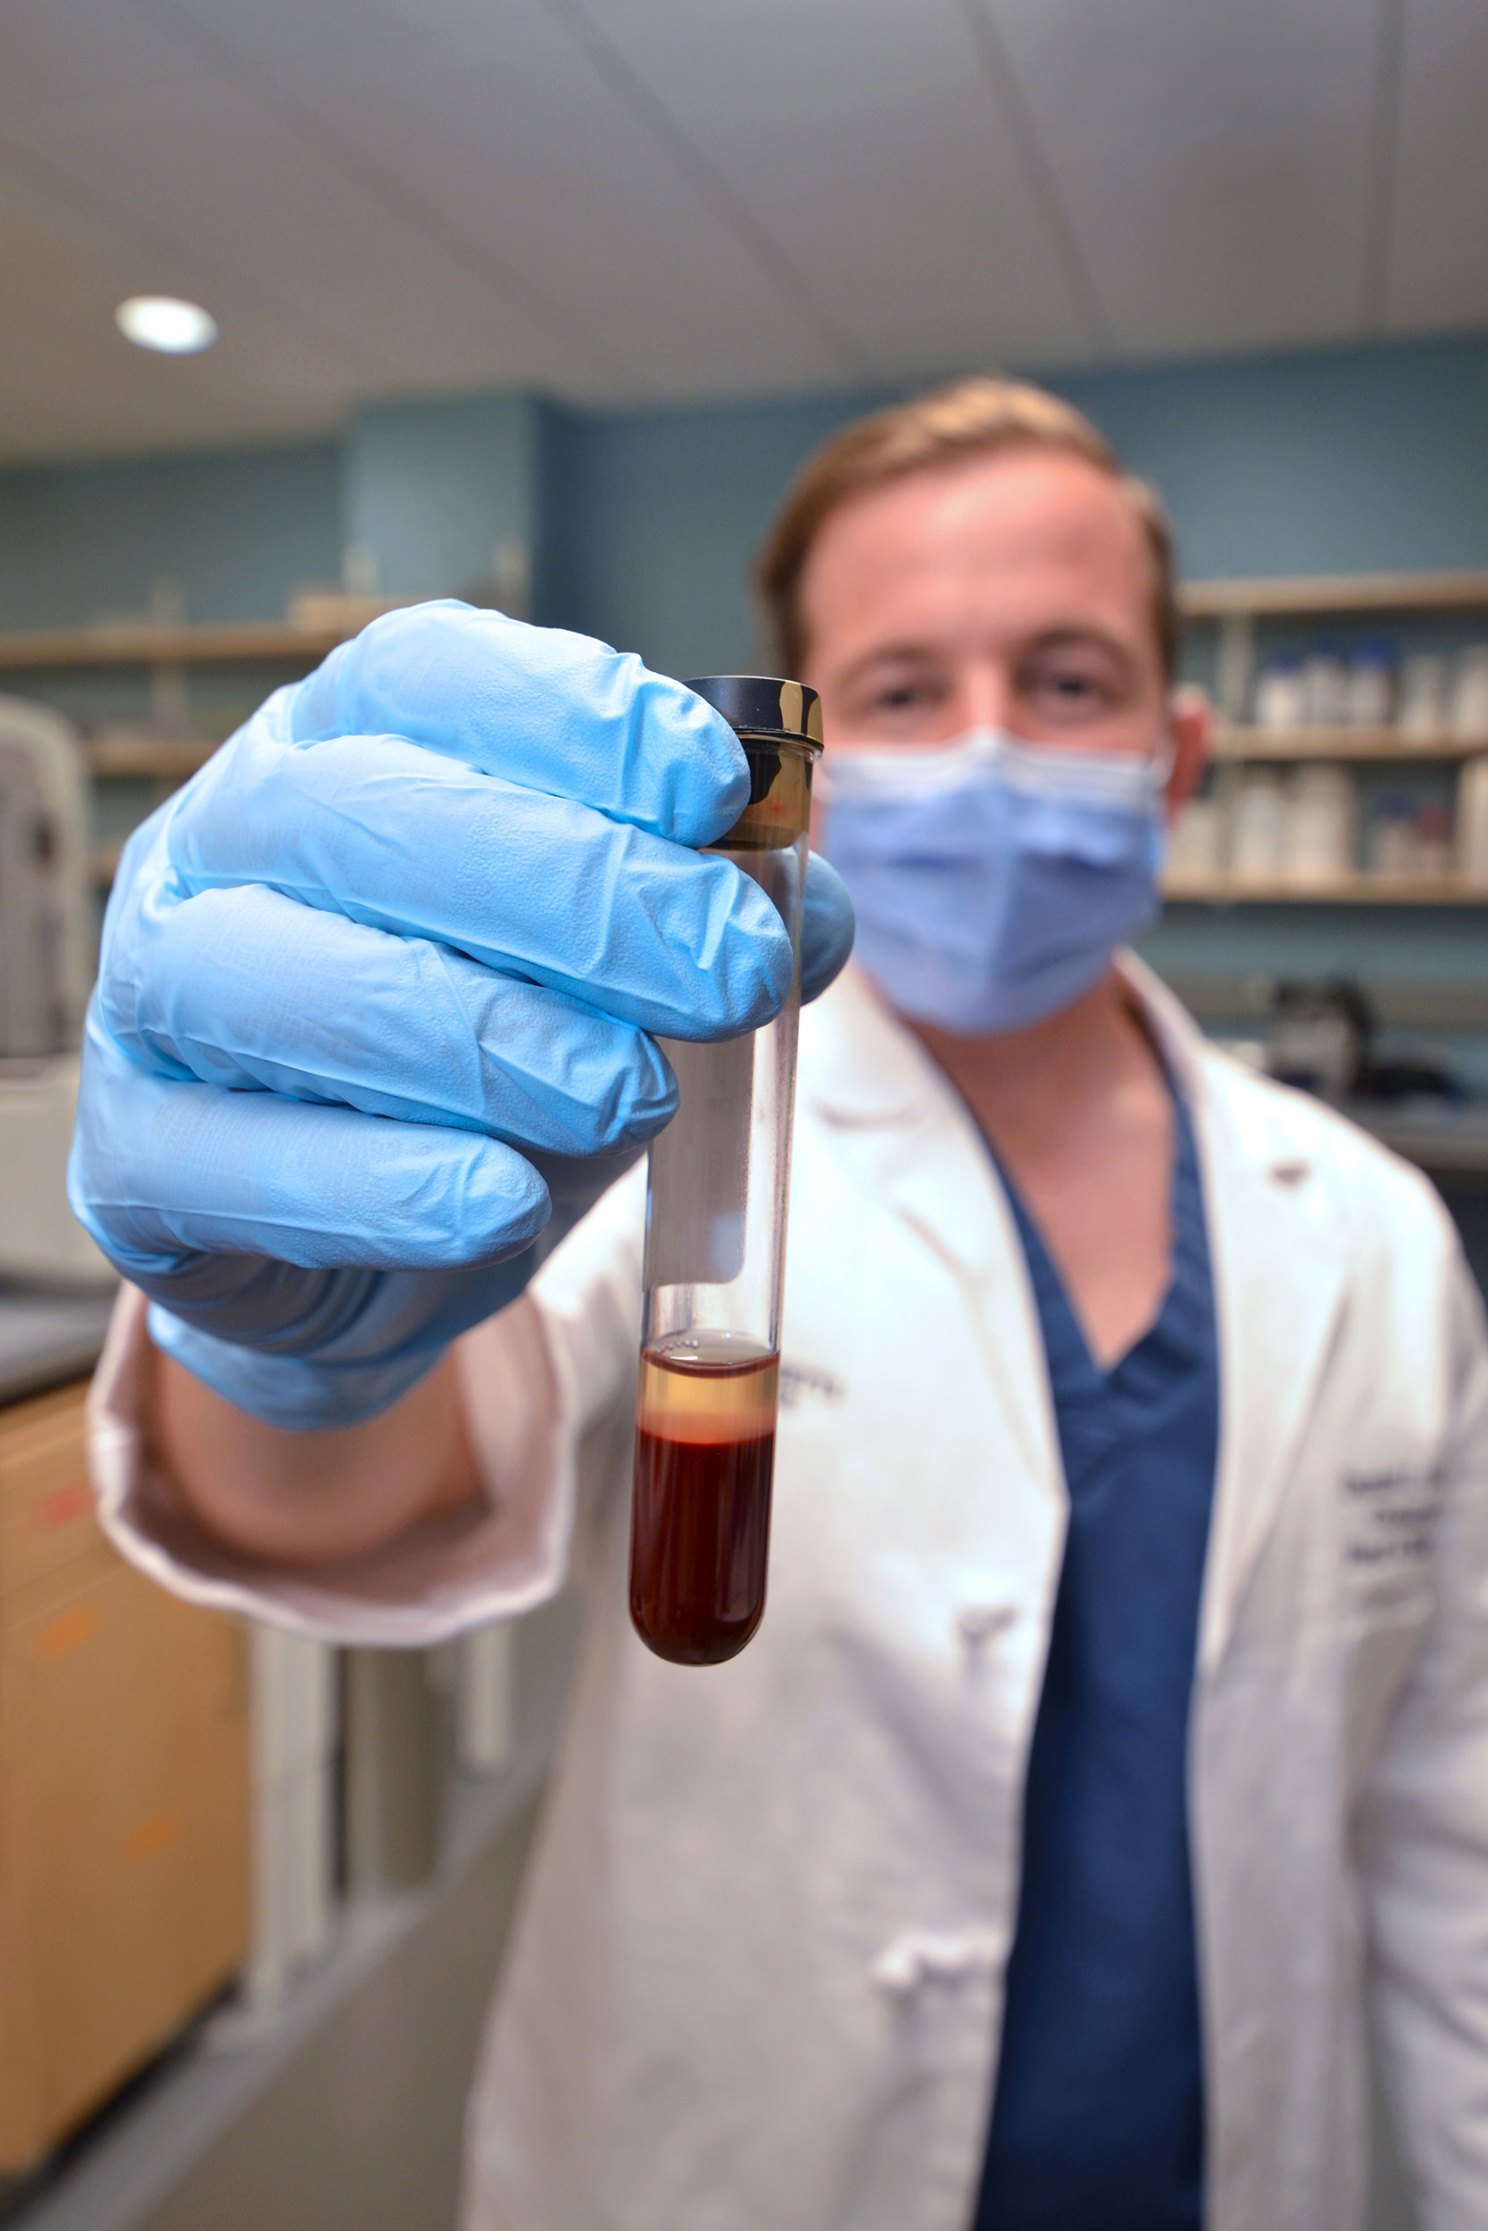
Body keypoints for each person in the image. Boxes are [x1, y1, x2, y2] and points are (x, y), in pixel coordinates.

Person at [72, 378, 1488, 2231]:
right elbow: (341, 1495)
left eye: (1065, 681)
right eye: (900, 691)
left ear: (1180, 748)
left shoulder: (1376, 1238)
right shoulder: (640, 1116)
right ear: (793, 773)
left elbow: (1454, 1850)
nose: (983, 747)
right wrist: (272, 1340)